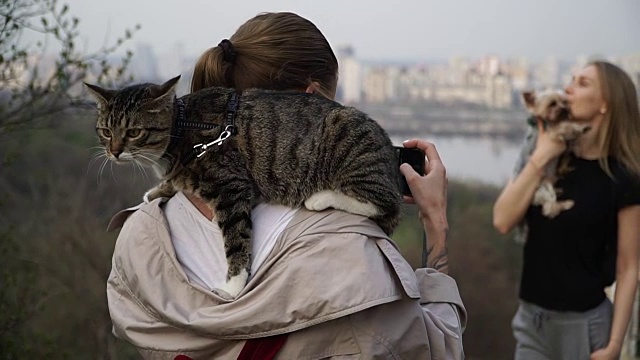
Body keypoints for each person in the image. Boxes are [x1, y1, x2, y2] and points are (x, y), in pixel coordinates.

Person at [106, 12, 466, 359]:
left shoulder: (137, 237)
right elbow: (438, 351)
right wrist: (435, 223)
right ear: (309, 99)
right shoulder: (347, 252)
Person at [493, 61, 640, 360]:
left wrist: (614, 345)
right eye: (571, 80)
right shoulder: (545, 156)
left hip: (586, 329)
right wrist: (542, 155)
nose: (568, 89)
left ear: (606, 103)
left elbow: (629, 267)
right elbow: (502, 220)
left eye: (582, 83)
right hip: (532, 322)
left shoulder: (624, 177)